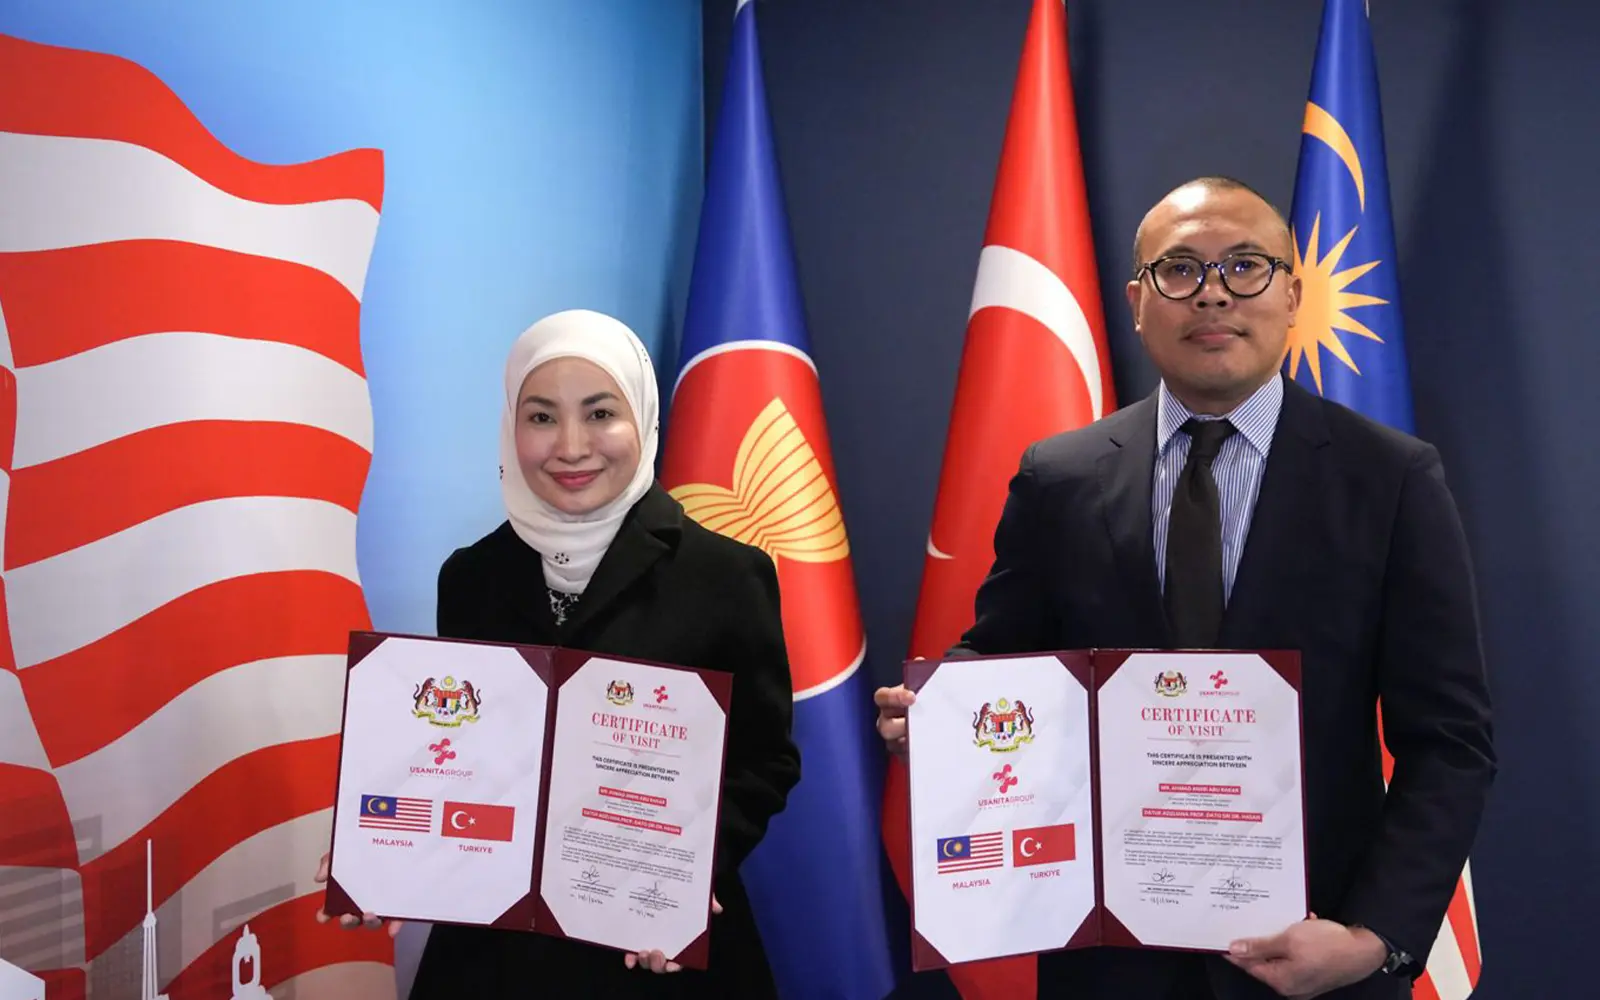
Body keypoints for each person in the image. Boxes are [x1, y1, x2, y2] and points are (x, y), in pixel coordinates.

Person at [874, 177, 1495, 1000]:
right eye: (1179, 270)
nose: (1212, 294)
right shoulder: (1060, 476)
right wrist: (941, 713)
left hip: (1316, 952)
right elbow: (1003, 657)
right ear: (1138, 303)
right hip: (1111, 963)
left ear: (1292, 295)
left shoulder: (1391, 479)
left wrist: (1373, 938)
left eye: (1245, 266)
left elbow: (1449, 741)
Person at [315, 308, 802, 997]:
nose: (571, 446)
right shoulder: (471, 576)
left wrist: (686, 872)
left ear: (642, 419)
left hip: (647, 945)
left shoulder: (726, 576)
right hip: (497, 954)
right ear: (510, 427)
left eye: (600, 413)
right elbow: (460, 753)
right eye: (541, 417)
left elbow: (764, 759)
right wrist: (390, 859)